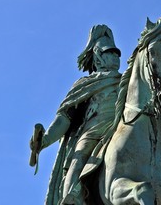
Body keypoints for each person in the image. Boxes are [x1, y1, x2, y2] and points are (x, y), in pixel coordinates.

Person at [30, 25, 121, 205]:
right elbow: (65, 118)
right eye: (109, 53)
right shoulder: (85, 84)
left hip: (123, 127)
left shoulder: (128, 79)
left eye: (116, 53)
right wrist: (45, 140)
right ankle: (71, 197)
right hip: (94, 131)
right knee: (78, 158)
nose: (115, 57)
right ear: (98, 57)